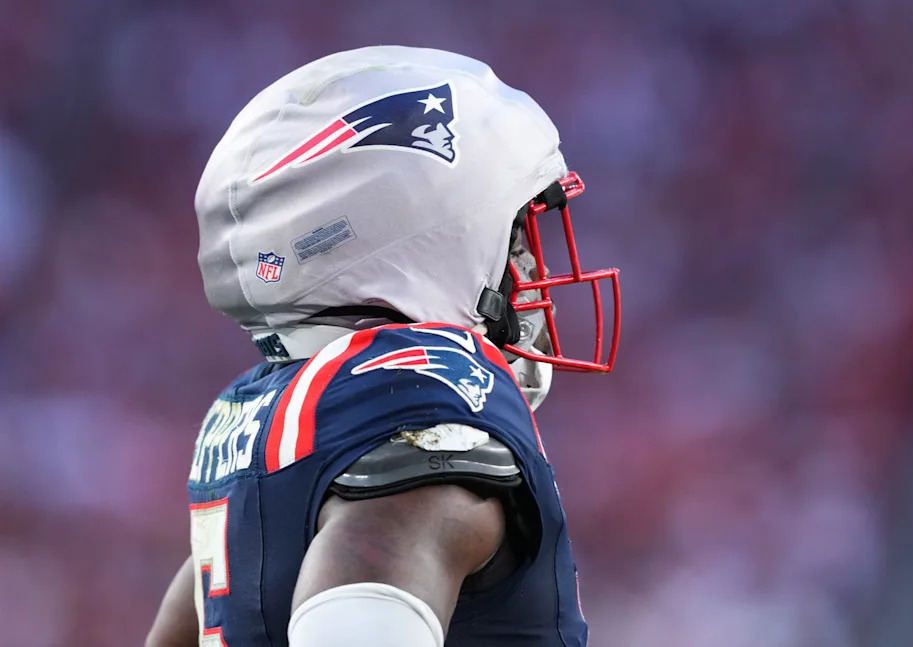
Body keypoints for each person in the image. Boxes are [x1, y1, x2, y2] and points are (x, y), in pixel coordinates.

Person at [145, 45, 620, 647]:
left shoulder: (262, 414)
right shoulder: (420, 406)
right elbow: (369, 582)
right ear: (429, 239)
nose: (530, 269)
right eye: (516, 238)